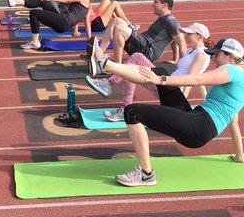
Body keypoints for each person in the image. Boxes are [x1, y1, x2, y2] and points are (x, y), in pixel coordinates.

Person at [89, 36, 244, 186]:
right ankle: (106, 64)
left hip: (199, 126)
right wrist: (239, 156)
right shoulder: (239, 80)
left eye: (217, 54)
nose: (214, 59)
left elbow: (196, 80)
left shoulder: (231, 70)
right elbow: (234, 123)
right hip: (197, 121)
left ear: (231, 56)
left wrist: (161, 80)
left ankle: (145, 174)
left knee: (132, 112)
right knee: (160, 70)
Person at [85, 22, 212, 122]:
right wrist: (206, 101)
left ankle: (110, 85)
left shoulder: (201, 55)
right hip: (166, 83)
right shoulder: (192, 51)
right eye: (186, 33)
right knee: (136, 58)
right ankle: (110, 86)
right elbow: (199, 79)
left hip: (170, 90)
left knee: (133, 66)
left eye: (190, 34)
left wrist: (181, 104)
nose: (186, 36)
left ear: (200, 37)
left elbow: (192, 79)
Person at [88, 0, 187, 74]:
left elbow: (181, 43)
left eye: (155, 2)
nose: (152, 4)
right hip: (142, 44)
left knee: (119, 27)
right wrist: (175, 59)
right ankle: (101, 56)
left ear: (164, 5)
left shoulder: (170, 21)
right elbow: (174, 40)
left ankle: (112, 65)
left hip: (149, 51)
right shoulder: (165, 19)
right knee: (116, 21)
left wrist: (183, 68)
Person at [6, 0, 93, 49]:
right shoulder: (88, 6)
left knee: (34, 13)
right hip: (62, 20)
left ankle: (35, 42)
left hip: (63, 21)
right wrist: (90, 42)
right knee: (43, 2)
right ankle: (16, 1)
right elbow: (88, 25)